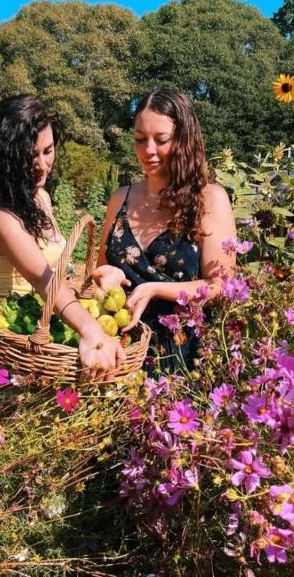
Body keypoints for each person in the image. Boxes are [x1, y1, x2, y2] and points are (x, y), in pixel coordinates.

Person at [0, 94, 125, 382]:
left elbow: (55, 271)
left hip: (50, 321)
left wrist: (95, 281)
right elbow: (43, 280)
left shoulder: (40, 197)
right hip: (18, 339)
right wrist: (91, 330)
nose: (42, 165)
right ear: (6, 157)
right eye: (30, 156)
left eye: (48, 150)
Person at [93, 87, 236, 374]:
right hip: (123, 352)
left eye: (161, 140)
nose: (148, 151)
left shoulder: (209, 199)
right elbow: (100, 272)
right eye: (139, 139)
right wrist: (111, 276)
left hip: (183, 356)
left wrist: (156, 289)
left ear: (184, 140)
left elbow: (221, 287)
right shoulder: (120, 199)